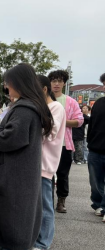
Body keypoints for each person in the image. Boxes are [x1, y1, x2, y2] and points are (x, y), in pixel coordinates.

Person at [0, 64, 54, 250]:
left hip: (16, 173)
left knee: (14, 215)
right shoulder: (31, 106)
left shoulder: (24, 109)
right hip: (21, 171)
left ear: (18, 83)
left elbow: (9, 139)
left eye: (8, 83)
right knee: (15, 214)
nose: (6, 87)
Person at [28, 76, 67, 250]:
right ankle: (36, 240)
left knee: (45, 206)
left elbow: (49, 133)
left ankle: (43, 244)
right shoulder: (42, 107)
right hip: (35, 163)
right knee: (37, 205)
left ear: (44, 89)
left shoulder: (55, 107)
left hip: (45, 163)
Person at [48, 70, 84, 214]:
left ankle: (61, 200)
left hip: (64, 144)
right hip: (47, 144)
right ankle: (48, 200)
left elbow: (79, 121)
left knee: (63, 174)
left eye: (60, 81)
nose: (56, 84)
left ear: (64, 83)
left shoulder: (70, 101)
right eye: (54, 81)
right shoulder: (44, 99)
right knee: (47, 174)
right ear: (49, 83)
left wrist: (62, 121)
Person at [87, 74, 105, 223]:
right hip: (95, 149)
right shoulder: (98, 103)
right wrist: (90, 141)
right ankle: (98, 204)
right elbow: (92, 124)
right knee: (95, 181)